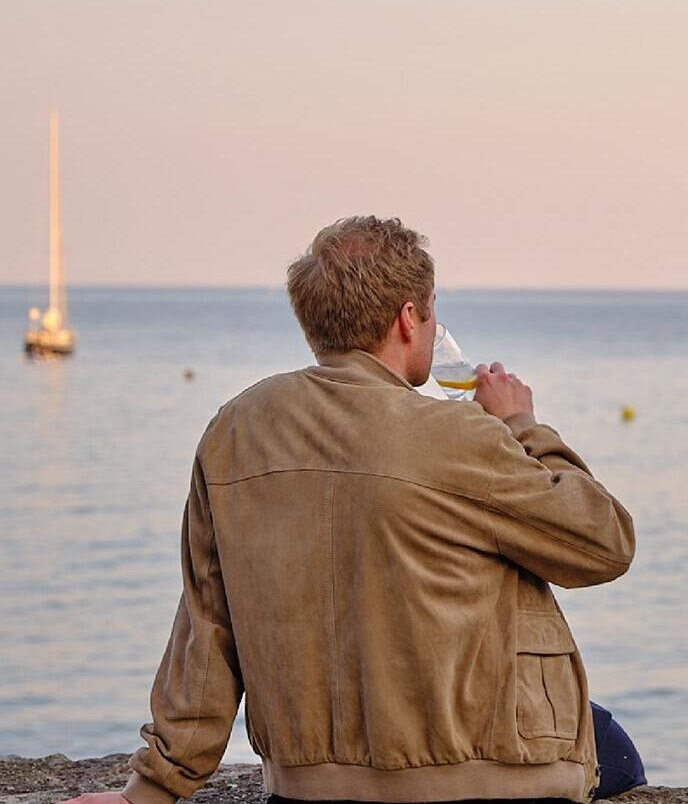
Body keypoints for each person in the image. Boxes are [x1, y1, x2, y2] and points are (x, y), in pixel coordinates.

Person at [64, 217, 645, 804]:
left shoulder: (233, 430)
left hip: (307, 785)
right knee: (613, 748)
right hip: (481, 778)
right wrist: (522, 425)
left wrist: (151, 792)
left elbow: (206, 630)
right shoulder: (458, 434)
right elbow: (604, 543)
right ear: (408, 318)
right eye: (432, 309)